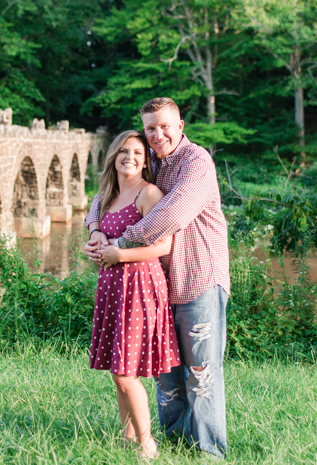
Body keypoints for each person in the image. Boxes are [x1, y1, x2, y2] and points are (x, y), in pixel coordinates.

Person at [85, 97, 230, 458]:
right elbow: (107, 194)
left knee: (201, 373)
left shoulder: (196, 162)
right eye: (151, 128)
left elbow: (171, 215)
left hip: (198, 280)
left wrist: (117, 243)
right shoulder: (152, 161)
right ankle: (176, 441)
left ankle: (208, 450)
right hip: (159, 285)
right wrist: (94, 229)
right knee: (167, 373)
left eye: (164, 126)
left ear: (180, 126)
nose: (157, 134)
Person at [86, 130, 181, 460]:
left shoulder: (149, 194)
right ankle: (128, 439)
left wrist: (119, 255)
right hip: (112, 287)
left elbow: (164, 245)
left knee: (126, 374)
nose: (130, 157)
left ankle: (147, 444)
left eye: (138, 153)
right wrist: (95, 239)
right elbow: (97, 221)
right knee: (118, 372)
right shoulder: (108, 195)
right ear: (114, 155)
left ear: (145, 161)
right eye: (124, 151)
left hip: (139, 287)